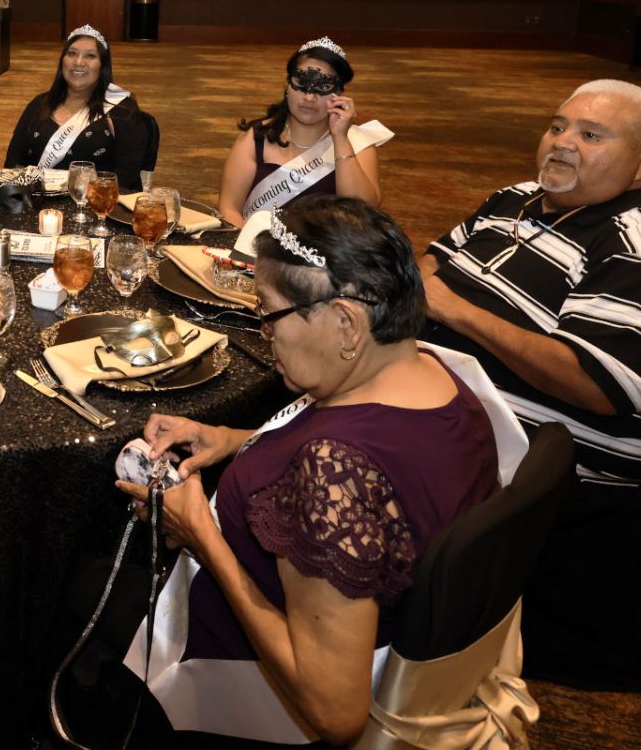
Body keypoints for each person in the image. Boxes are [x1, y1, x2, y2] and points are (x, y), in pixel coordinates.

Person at [108, 198, 517, 746]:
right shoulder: (434, 372)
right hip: (394, 644)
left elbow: (335, 712)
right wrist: (235, 439)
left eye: (267, 313)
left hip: (240, 685)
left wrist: (204, 539)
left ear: (346, 323)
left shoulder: (333, 471)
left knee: (79, 594)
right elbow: (384, 458)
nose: (262, 331)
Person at [423, 78, 641, 692]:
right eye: (557, 126)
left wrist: (451, 311)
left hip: (541, 473)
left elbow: (594, 383)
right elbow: (431, 261)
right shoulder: (516, 199)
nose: (562, 144)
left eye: (591, 135)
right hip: (447, 408)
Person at [217, 37, 386, 225]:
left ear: (339, 93)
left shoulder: (356, 143)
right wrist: (245, 252)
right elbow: (229, 209)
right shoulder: (256, 138)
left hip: (329, 252)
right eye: (302, 84)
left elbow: (363, 212)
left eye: (323, 87)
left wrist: (340, 139)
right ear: (288, 85)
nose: (309, 97)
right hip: (256, 251)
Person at [3, 25, 153, 185]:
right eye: (72, 53)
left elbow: (128, 175)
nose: (78, 62)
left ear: (103, 65)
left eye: (90, 56)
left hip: (94, 204)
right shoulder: (39, 104)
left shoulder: (121, 111)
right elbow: (13, 163)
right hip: (37, 203)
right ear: (62, 61)